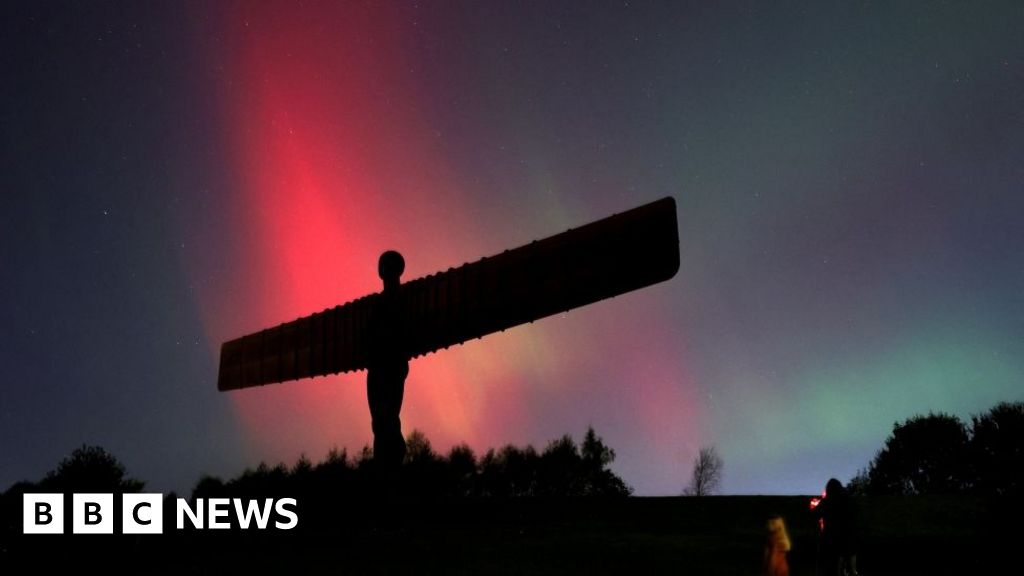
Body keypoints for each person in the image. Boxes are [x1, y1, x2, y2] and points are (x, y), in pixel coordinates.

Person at [367, 250, 410, 476]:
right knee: (378, 422)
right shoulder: (376, 303)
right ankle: (383, 464)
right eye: (382, 265)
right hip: (376, 367)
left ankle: (393, 459)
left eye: (387, 266)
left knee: (387, 417)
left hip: (392, 365)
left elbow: (404, 332)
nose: (383, 270)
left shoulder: (405, 298)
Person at [812, 478, 859, 576]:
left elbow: (815, 514)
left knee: (833, 569)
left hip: (831, 539)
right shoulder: (849, 500)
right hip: (848, 538)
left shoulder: (827, 502)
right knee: (851, 569)